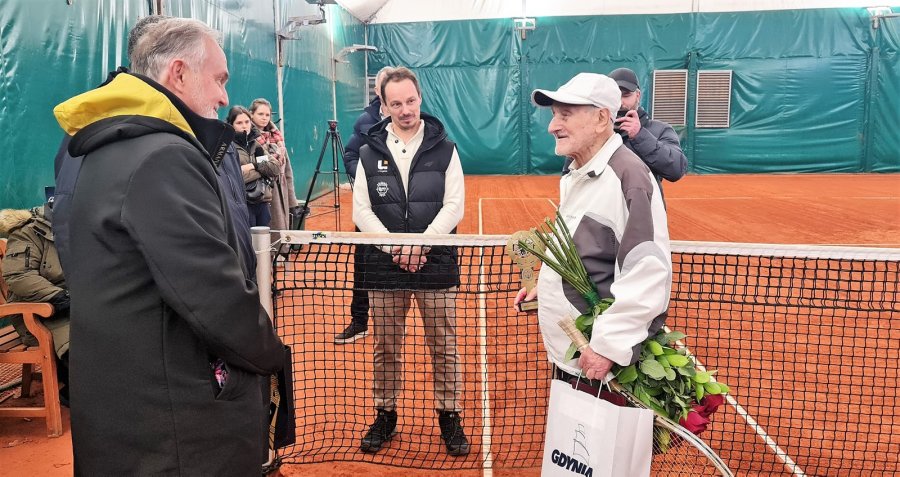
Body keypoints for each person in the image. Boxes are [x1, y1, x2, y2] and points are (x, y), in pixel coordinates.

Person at [52, 17, 285, 476]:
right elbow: (211, 298)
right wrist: (272, 355)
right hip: (177, 428)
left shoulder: (81, 148)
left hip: (116, 407)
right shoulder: (164, 155)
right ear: (178, 74)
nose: (223, 97)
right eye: (219, 79)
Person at [515, 73, 672, 390]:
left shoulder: (629, 178)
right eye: (554, 114)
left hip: (600, 367)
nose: (552, 126)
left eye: (565, 115)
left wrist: (608, 347)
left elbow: (648, 273)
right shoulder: (577, 172)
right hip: (572, 357)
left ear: (602, 119)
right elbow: (580, 246)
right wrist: (546, 286)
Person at [352, 66, 469, 455]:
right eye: (396, 103)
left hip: (435, 266)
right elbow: (362, 211)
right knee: (385, 347)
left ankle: (449, 415)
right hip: (385, 269)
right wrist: (395, 248)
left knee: (444, 345)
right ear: (383, 106)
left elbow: (454, 205)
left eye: (411, 100)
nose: (405, 110)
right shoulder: (369, 153)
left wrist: (422, 245)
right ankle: (385, 414)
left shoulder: (446, 150)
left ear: (420, 99)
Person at [333, 65, 392, 344]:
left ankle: (391, 323)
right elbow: (350, 155)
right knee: (363, 265)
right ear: (378, 91)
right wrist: (368, 181)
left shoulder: (413, 120)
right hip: (368, 208)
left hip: (401, 210)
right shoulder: (365, 121)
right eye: (382, 85)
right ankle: (359, 321)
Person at [0, 202, 71, 402]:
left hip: (70, 305)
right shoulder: (28, 231)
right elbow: (19, 276)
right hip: (36, 312)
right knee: (80, 338)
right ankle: (78, 390)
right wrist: (61, 297)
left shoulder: (78, 228)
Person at [609, 67, 687, 193]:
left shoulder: (660, 129)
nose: (620, 102)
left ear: (638, 95)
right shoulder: (593, 132)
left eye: (626, 95)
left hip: (643, 208)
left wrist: (639, 135)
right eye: (615, 96)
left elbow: (676, 170)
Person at [250, 98, 300, 232]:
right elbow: (261, 166)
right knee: (265, 235)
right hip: (261, 194)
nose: (264, 118)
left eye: (267, 115)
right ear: (251, 114)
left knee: (281, 231)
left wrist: (292, 200)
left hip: (280, 192)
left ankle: (281, 252)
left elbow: (287, 171)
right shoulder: (249, 138)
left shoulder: (278, 138)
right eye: (260, 114)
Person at [227, 105, 281, 227]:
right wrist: (262, 170)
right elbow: (234, 177)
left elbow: (275, 168)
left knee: (263, 242)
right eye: (239, 123)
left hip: (262, 202)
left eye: (247, 122)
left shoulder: (255, 144)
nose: (244, 126)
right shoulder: (228, 147)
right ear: (231, 125)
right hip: (242, 204)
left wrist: (252, 165)